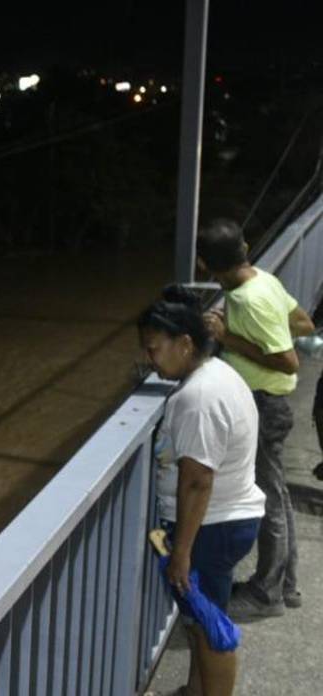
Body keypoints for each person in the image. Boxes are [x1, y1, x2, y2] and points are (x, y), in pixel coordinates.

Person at [140, 284, 265, 696]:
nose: (150, 359)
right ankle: (196, 691)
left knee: (211, 627)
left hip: (211, 529)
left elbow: (197, 480)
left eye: (155, 348)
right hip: (222, 523)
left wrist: (180, 552)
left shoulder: (198, 398)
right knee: (197, 618)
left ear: (185, 343)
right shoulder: (218, 373)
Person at [196, 218, 315, 619]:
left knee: (269, 499)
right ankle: (287, 585)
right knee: (276, 494)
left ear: (206, 266)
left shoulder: (248, 299)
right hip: (268, 405)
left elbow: (288, 360)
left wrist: (230, 338)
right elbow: (303, 323)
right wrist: (255, 328)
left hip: (264, 406)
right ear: (245, 249)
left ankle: (268, 594)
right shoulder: (263, 279)